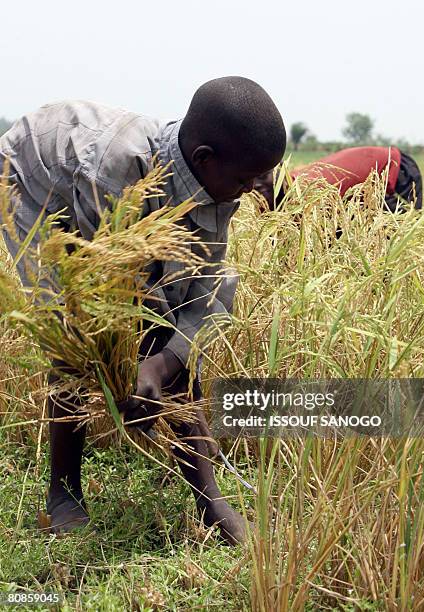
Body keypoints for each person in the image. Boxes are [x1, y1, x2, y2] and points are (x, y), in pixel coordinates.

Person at [0, 76, 286, 544]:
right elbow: (110, 301)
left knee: (167, 335)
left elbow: (203, 293)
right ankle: (63, 493)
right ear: (204, 160)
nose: (258, 188)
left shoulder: (218, 183)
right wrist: (143, 362)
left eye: (264, 174)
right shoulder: (112, 174)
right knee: (72, 330)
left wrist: (162, 362)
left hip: (102, 185)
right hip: (36, 179)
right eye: (247, 178)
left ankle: (209, 501)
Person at [254, 146, 423, 212]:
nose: (256, 185)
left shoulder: (311, 193)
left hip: (394, 167)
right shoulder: (274, 202)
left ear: (282, 172)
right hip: (357, 190)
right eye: (251, 179)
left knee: (396, 234)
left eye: (263, 176)